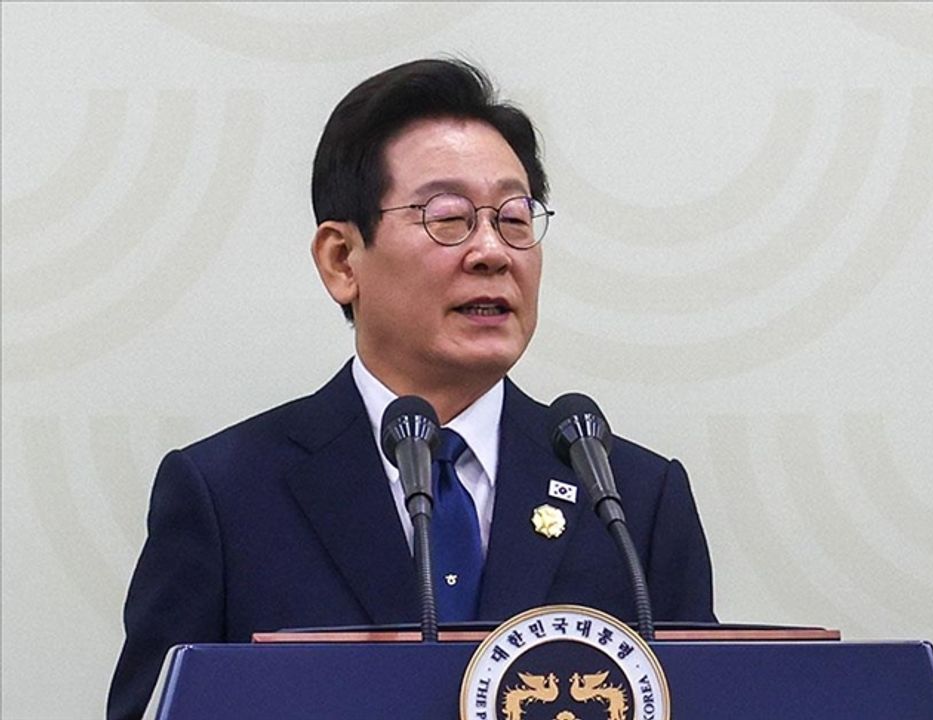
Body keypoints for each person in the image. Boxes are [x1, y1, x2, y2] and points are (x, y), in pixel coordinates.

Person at [106, 58, 715, 720]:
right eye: (449, 217)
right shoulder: (228, 497)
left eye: (515, 218)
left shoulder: (631, 501)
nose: (492, 252)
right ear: (341, 260)